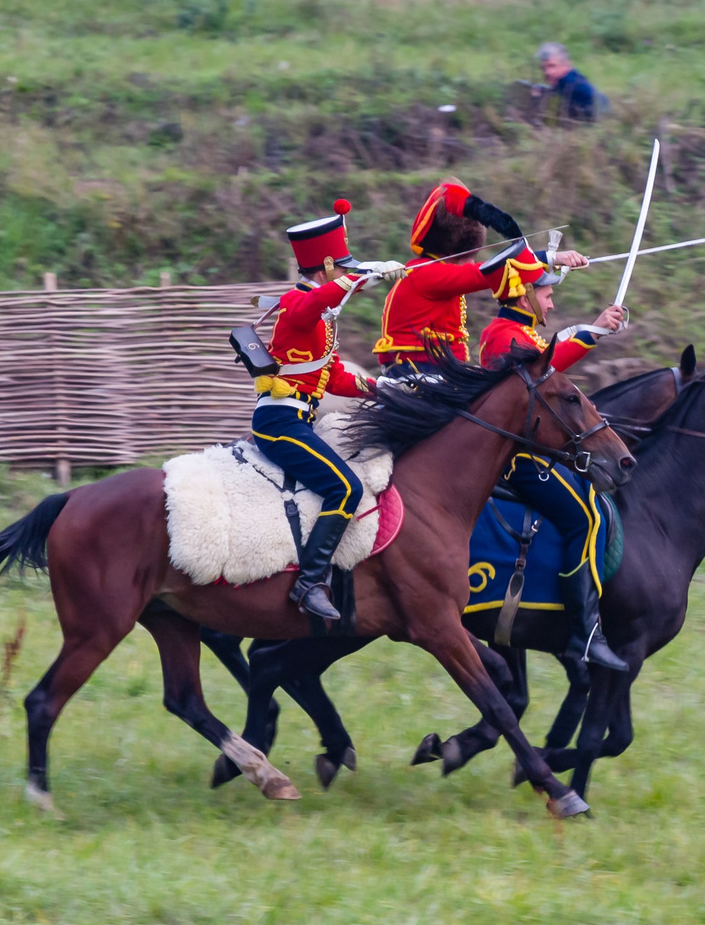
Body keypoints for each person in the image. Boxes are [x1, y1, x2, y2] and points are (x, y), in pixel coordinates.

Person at [475, 248, 633, 671]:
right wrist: (594, 330)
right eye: (545, 294)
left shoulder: (523, 334)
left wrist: (591, 330)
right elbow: (543, 374)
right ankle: (583, 634)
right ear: (524, 293)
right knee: (588, 518)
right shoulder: (502, 335)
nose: (551, 302)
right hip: (517, 461)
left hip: (534, 454)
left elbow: (549, 360)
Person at [250, 200, 403, 622]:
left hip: (298, 419)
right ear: (330, 267)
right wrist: (365, 274)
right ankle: (309, 583)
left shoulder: (322, 320)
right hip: (279, 422)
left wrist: (383, 387)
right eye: (344, 268)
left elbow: (331, 377)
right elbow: (310, 303)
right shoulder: (297, 306)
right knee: (347, 489)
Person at [371, 179, 593, 377]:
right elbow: (487, 272)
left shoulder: (429, 271)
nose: (470, 262)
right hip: (419, 369)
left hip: (437, 366)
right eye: (468, 257)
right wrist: (550, 258)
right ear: (452, 250)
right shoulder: (427, 273)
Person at [531, 42, 605, 124]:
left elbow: (550, 120)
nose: (547, 72)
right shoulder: (575, 77)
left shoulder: (568, 83)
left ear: (566, 65)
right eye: (543, 68)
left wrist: (535, 98)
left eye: (552, 66)